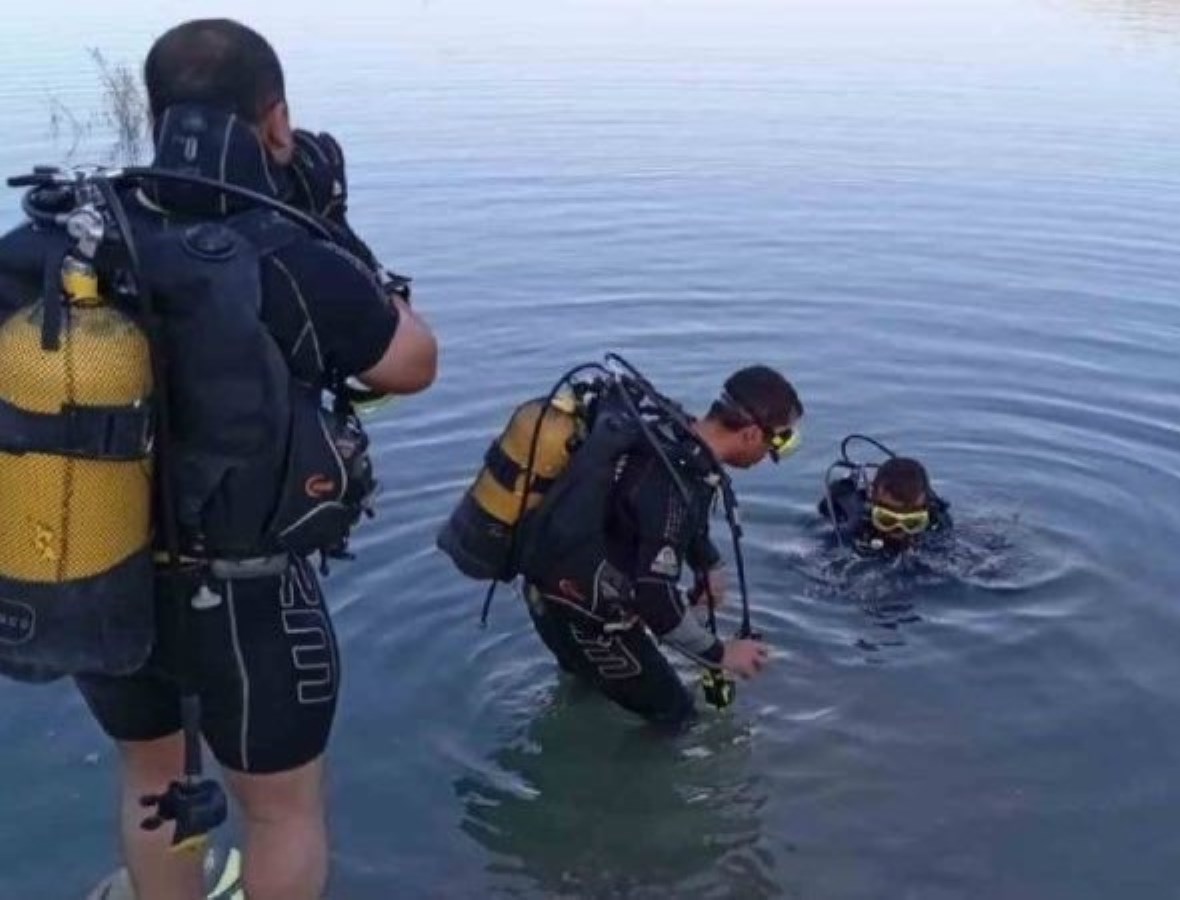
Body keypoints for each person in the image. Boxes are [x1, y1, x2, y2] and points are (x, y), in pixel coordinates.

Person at [0, 19, 436, 900]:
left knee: (151, 778)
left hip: (93, 562)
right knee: (281, 812)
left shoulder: (52, 244)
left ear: (156, 114)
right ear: (275, 123)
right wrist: (335, 228)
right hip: (249, 596)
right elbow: (411, 364)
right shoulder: (285, 251)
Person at [520, 365, 804, 728]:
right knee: (676, 717)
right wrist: (721, 654)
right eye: (777, 442)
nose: (771, 455)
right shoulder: (675, 482)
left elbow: (650, 516)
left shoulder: (672, 434)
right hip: (586, 619)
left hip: (546, 594)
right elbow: (655, 601)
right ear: (750, 434)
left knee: (588, 686)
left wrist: (708, 564)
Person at [820, 454, 951, 556]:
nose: (899, 531)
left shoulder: (937, 522)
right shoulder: (853, 519)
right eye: (886, 519)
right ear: (871, 499)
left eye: (912, 522)